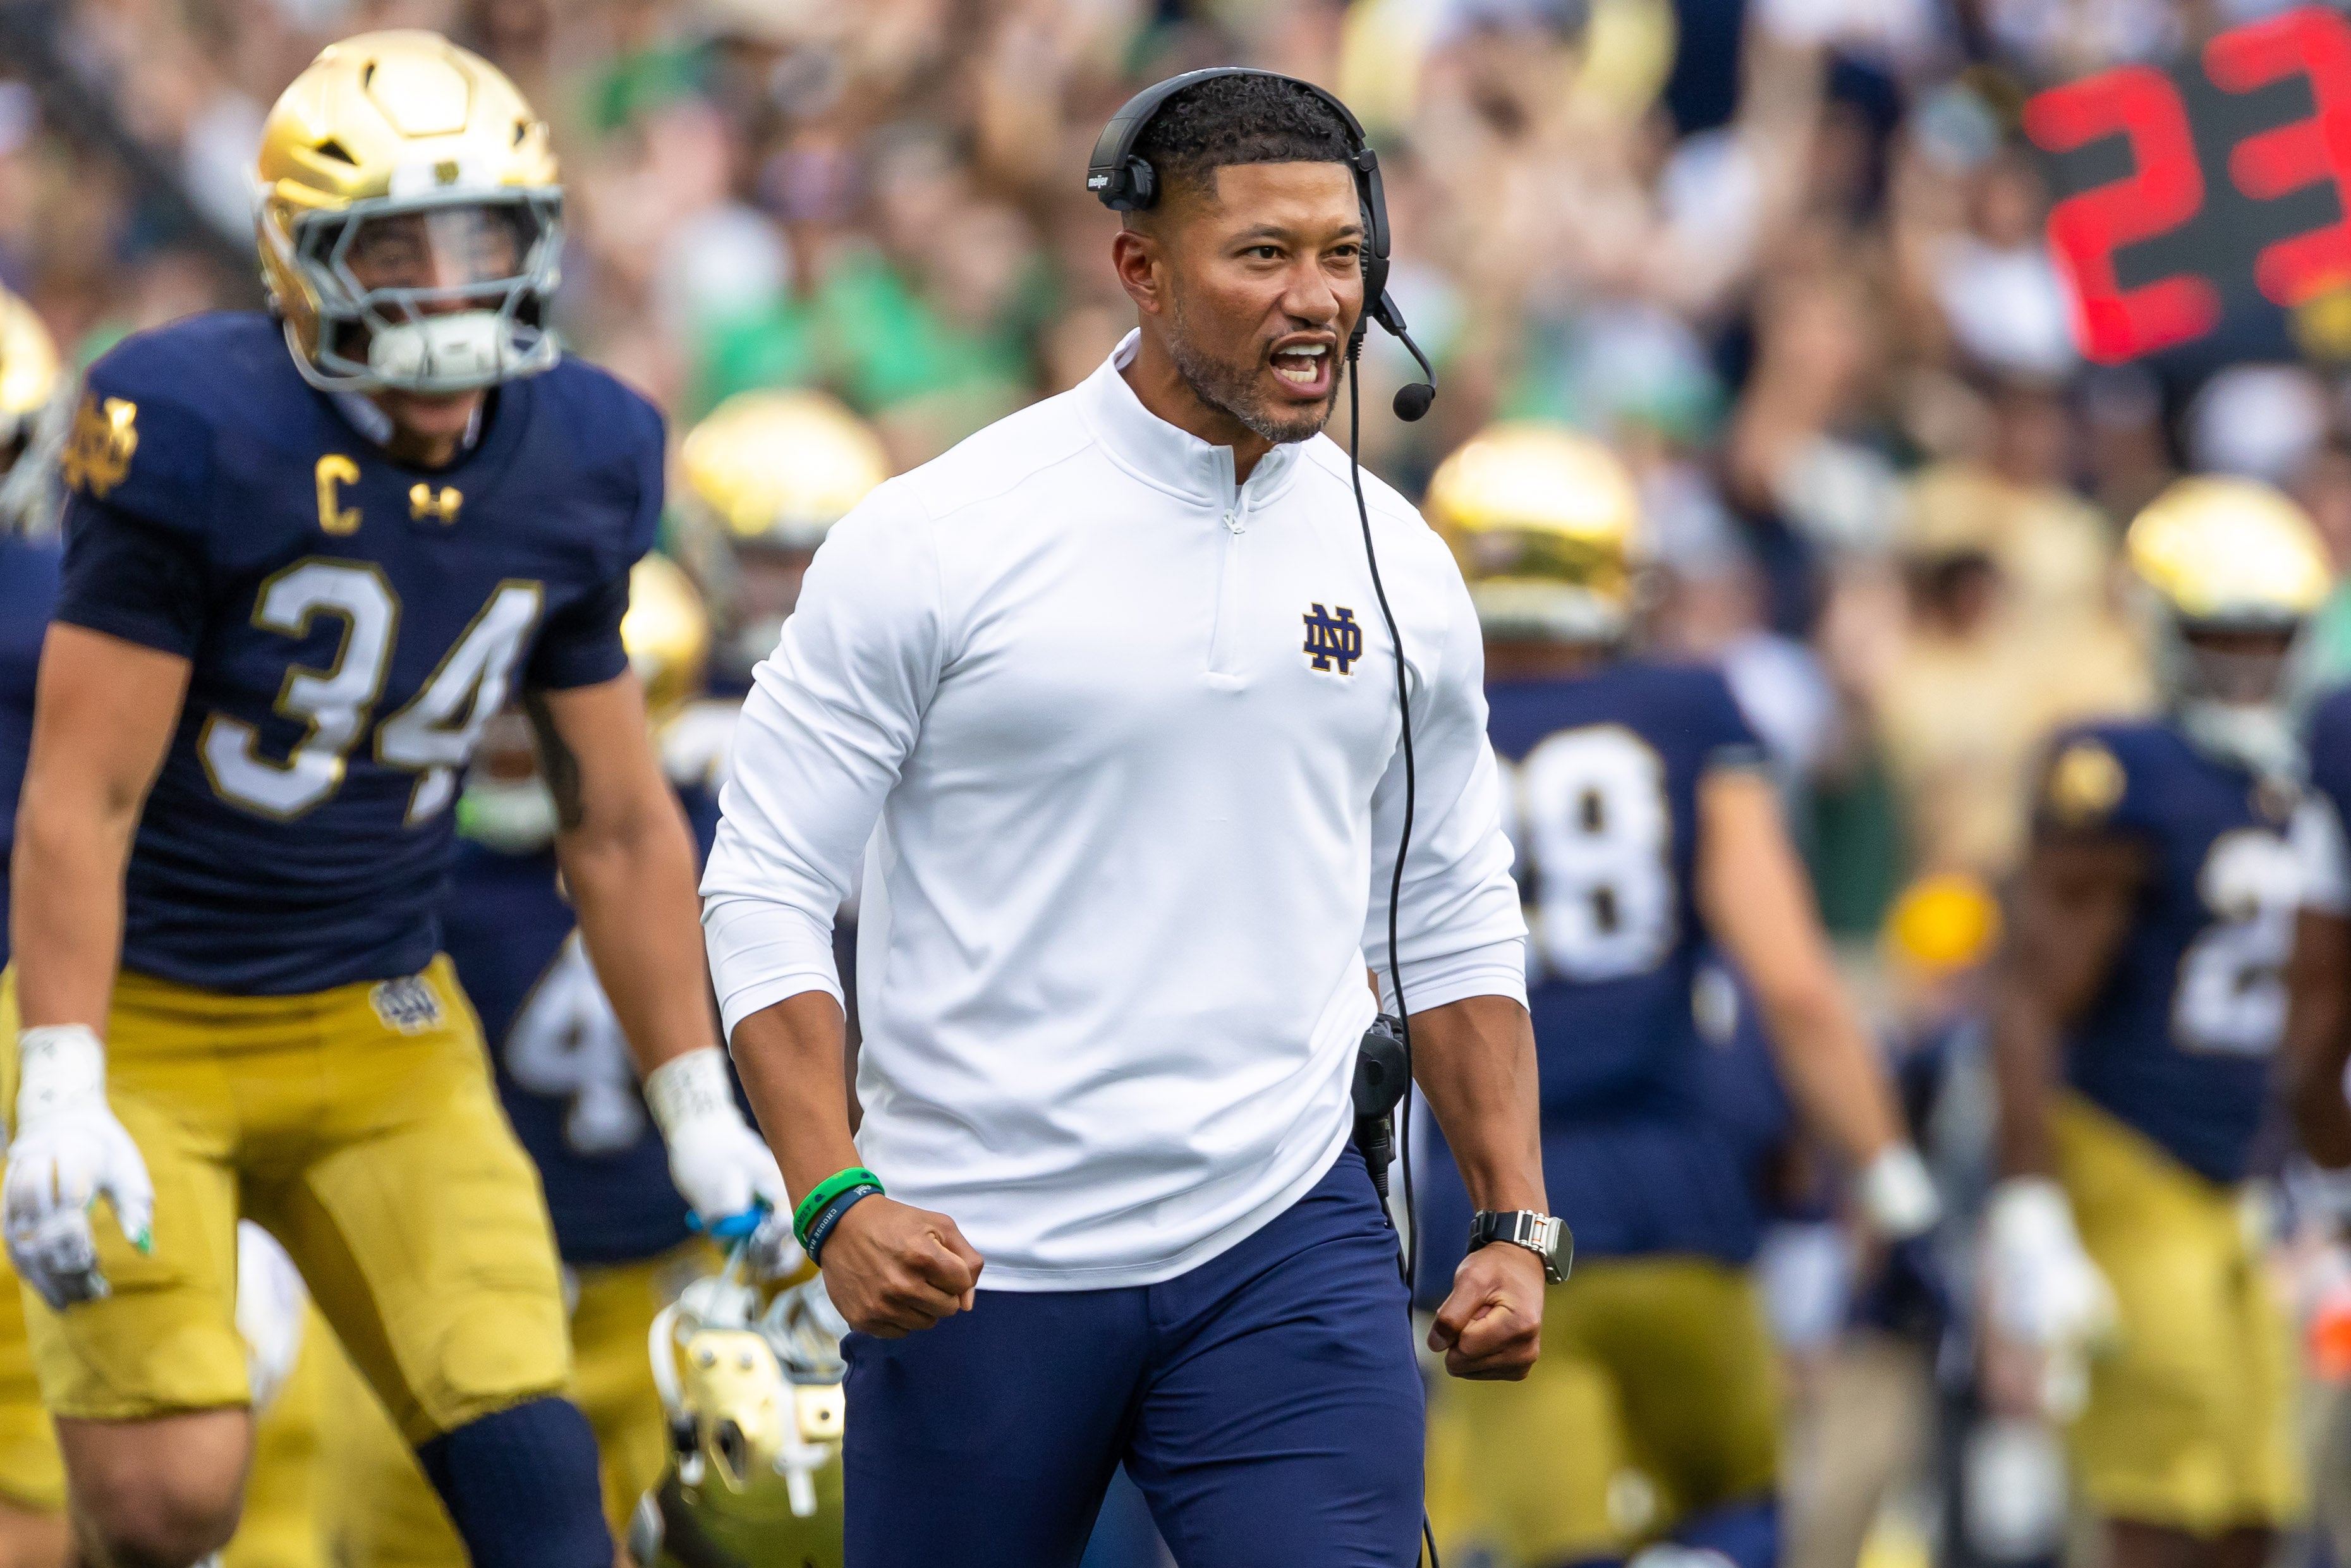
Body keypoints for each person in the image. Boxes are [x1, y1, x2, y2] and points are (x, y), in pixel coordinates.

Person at [700, 70, 1550, 1567]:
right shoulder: (935, 536)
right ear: (1141, 270)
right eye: (1265, 256)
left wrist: (1511, 1218)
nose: (1320, 302)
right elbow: (765, 883)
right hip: (977, 1257)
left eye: (1346, 258)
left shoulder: (1405, 565)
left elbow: (1445, 908)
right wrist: (832, 1191)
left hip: (1282, 1238)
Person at [0, 33, 784, 1568]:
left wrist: (697, 1096)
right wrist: (65, 1070)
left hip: (380, 1015)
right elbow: (80, 798)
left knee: (533, 1481)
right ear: (303, 263)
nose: (445, 285)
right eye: (395, 246)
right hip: (154, 1012)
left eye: (480, 237)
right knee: (170, 1501)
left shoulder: (582, 450)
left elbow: (617, 819)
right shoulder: (194, 426)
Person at [1409, 422, 1940, 1568]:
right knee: (1739, 1512)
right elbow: (1795, 985)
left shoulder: (1403, 730)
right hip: (1679, 1196)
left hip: (1484, 1218)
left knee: (1542, 1543)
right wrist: (1895, 1192)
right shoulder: (1687, 709)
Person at [313, 554, 779, 1562]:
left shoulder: (720, 841)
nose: (511, 745)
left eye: (536, 720)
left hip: (668, 1276)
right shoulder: (422, 854)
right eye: (500, 716)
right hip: (467, 1272)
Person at [1988, 477, 2322, 1568]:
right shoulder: (2122, 771)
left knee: (2258, 1501)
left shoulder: (2312, 775)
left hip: (2251, 1178)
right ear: (2164, 630)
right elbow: (2030, 995)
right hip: (2131, 1153)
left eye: (2268, 637)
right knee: (2163, 1506)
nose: (2246, 662)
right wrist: (2030, 1201)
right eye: (2219, 635)